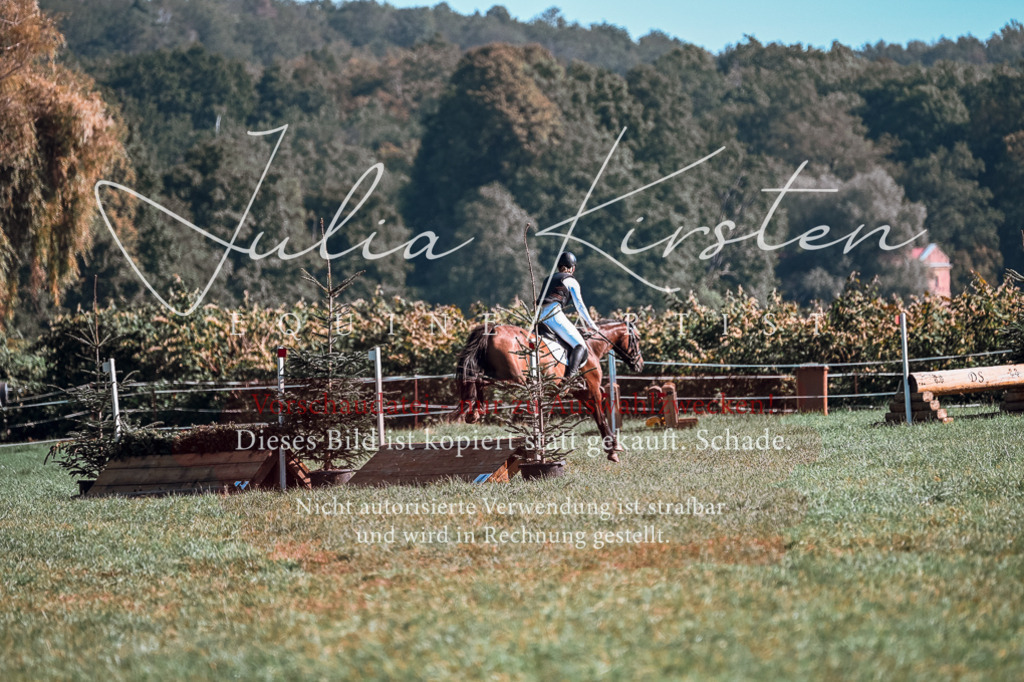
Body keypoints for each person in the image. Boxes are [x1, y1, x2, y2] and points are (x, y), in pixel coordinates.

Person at [536, 251, 600, 377]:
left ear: (558, 267)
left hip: (539, 317)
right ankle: (569, 378)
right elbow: (580, 306)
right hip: (554, 316)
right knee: (580, 345)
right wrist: (592, 325)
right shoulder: (571, 281)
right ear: (573, 268)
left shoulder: (548, 279)